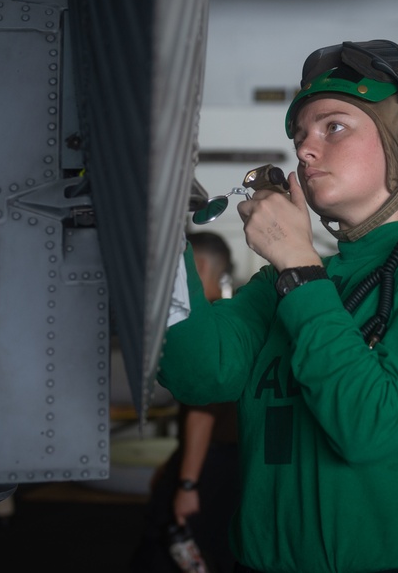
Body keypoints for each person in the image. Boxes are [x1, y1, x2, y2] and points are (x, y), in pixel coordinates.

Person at [158, 39, 398, 573]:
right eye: (300, 135)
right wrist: (160, 238)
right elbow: (198, 374)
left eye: (334, 127)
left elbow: (370, 425)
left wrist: (298, 267)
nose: (304, 149)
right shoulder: (281, 281)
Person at [132, 231, 241, 573]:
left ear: (199, 265)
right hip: (230, 463)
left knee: (166, 552)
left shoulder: (202, 324)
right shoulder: (235, 319)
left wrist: (186, 483)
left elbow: (201, 415)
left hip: (209, 465)